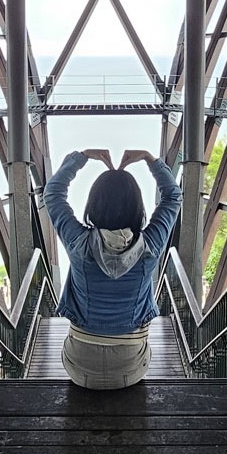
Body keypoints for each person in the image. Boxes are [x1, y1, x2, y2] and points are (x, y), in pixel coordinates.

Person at [43, 148, 183, 389]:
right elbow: (173, 197)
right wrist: (150, 160)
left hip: (79, 367)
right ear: (137, 206)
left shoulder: (79, 243)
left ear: (93, 204)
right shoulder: (151, 244)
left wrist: (82, 157)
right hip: (130, 370)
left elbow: (53, 194)